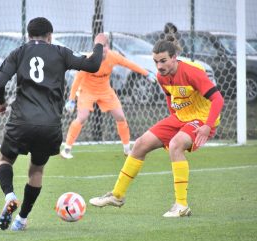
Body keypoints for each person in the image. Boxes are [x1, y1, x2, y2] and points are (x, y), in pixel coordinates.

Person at [89, 35, 224, 217]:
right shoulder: (162, 76)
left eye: (163, 61)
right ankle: (117, 195)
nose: (159, 66)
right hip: (180, 118)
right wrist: (173, 122)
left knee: (176, 145)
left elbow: (218, 99)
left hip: (202, 119)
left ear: (174, 57)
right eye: (155, 62)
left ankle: (181, 205)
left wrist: (207, 126)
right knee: (140, 144)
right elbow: (170, 97)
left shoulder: (192, 72)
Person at [0, 17, 104, 231]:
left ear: (28, 35)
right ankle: (21, 220)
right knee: (37, 170)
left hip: (21, 121)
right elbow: (93, 64)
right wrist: (99, 43)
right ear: (50, 36)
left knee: (5, 159)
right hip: (50, 125)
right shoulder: (60, 52)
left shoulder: (19, 52)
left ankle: (9, 196)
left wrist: (1, 103)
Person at [60, 34, 157, 159]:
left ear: (108, 46)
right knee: (82, 117)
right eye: (98, 47)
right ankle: (67, 149)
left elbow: (129, 64)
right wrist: (71, 100)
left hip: (106, 91)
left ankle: (127, 149)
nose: (102, 49)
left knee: (120, 117)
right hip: (87, 91)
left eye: (104, 46)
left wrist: (146, 73)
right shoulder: (88, 59)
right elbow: (77, 80)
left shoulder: (114, 57)